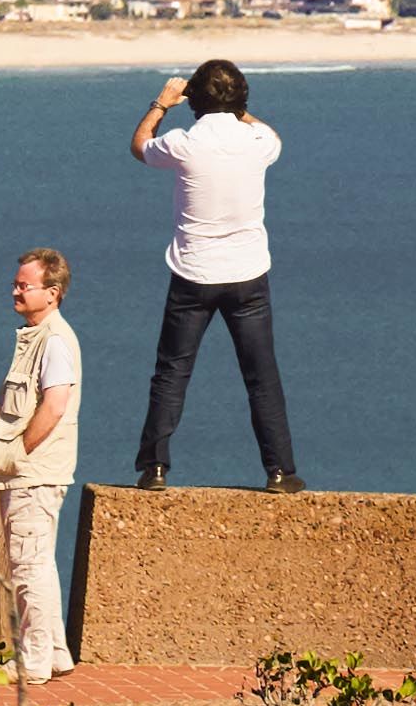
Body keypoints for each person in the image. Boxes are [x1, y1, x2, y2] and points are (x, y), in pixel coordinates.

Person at [124, 62, 303, 491]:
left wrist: (161, 104)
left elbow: (139, 146)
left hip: (193, 275)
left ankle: (155, 468)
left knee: (172, 372)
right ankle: (280, 472)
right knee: (261, 375)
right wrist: (238, 110)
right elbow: (272, 135)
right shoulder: (257, 141)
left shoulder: (184, 142)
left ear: (195, 101)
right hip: (248, 276)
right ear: (241, 99)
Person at [0, 250, 86, 682]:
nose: (15, 291)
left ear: (53, 293)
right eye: (17, 283)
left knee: (28, 567)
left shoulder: (54, 341)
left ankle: (35, 659)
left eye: (24, 285)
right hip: (31, 473)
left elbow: (55, 404)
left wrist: (21, 452)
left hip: (34, 474)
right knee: (38, 562)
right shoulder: (38, 336)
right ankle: (57, 653)